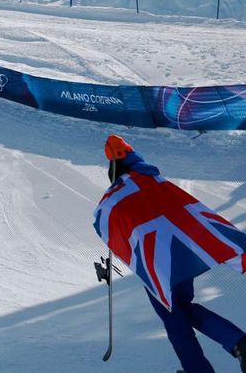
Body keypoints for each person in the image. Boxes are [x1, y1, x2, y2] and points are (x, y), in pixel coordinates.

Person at [97, 134, 246, 373]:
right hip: (180, 258)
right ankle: (237, 342)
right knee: (182, 307)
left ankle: (201, 367)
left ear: (113, 164)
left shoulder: (118, 194)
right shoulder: (156, 180)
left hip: (156, 264)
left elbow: (104, 217)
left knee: (174, 318)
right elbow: (189, 211)